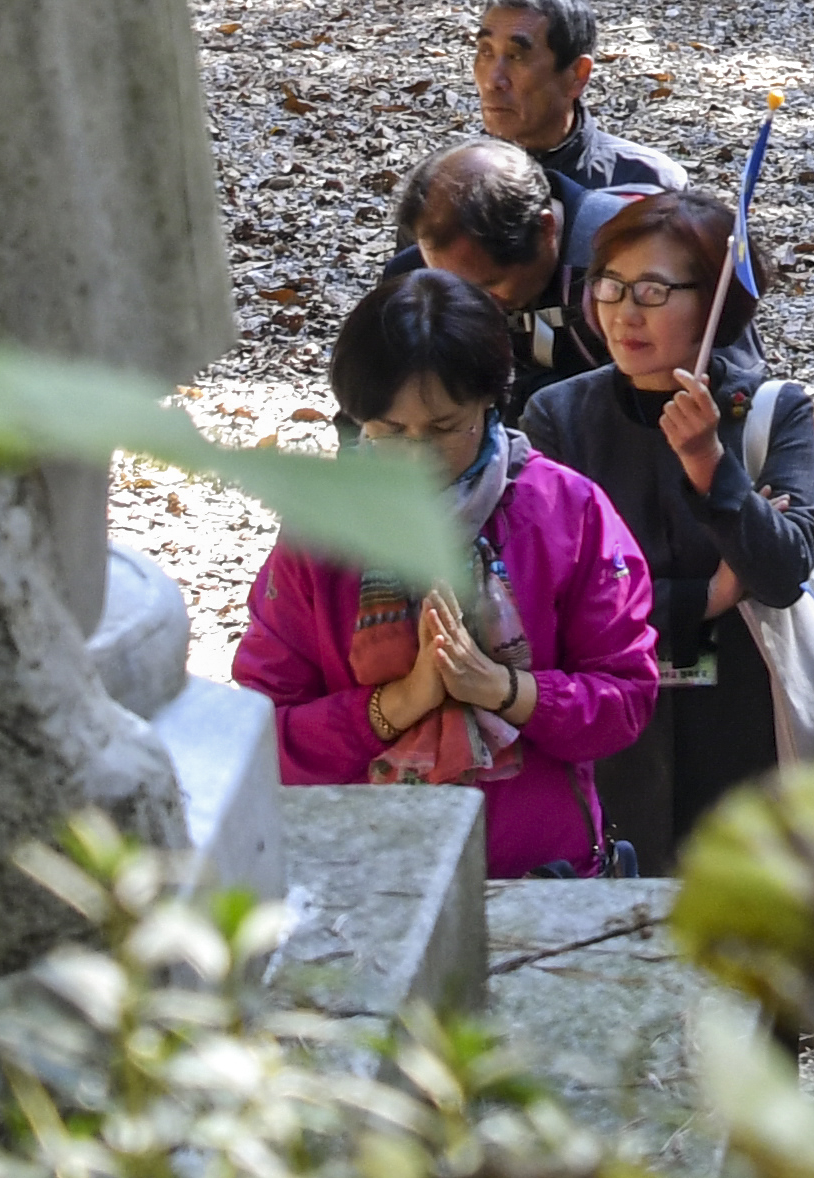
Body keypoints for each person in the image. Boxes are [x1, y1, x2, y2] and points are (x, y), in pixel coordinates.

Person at [241, 269, 663, 885]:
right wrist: (397, 705)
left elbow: (625, 698)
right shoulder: (320, 536)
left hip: (539, 876)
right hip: (364, 878)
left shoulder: (565, 512)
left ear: (490, 404)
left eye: (444, 427)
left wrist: (501, 688)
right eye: (388, 432)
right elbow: (264, 731)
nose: (418, 455)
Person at [522, 192, 814, 871]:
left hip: (740, 723)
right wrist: (708, 599)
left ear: (715, 302)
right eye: (611, 285)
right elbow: (560, 602)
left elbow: (781, 575)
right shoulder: (559, 417)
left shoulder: (772, 411)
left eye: (655, 290)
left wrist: (709, 465)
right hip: (608, 723)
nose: (625, 312)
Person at [471, 0, 682, 285]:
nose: (493, 80)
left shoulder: (647, 184)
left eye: (516, 56)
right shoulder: (449, 189)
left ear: (577, 75)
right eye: (486, 51)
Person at [384, 133, 587, 399]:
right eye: (452, 285)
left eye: (489, 285)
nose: (471, 302)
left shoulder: (620, 270)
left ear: (545, 229)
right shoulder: (414, 280)